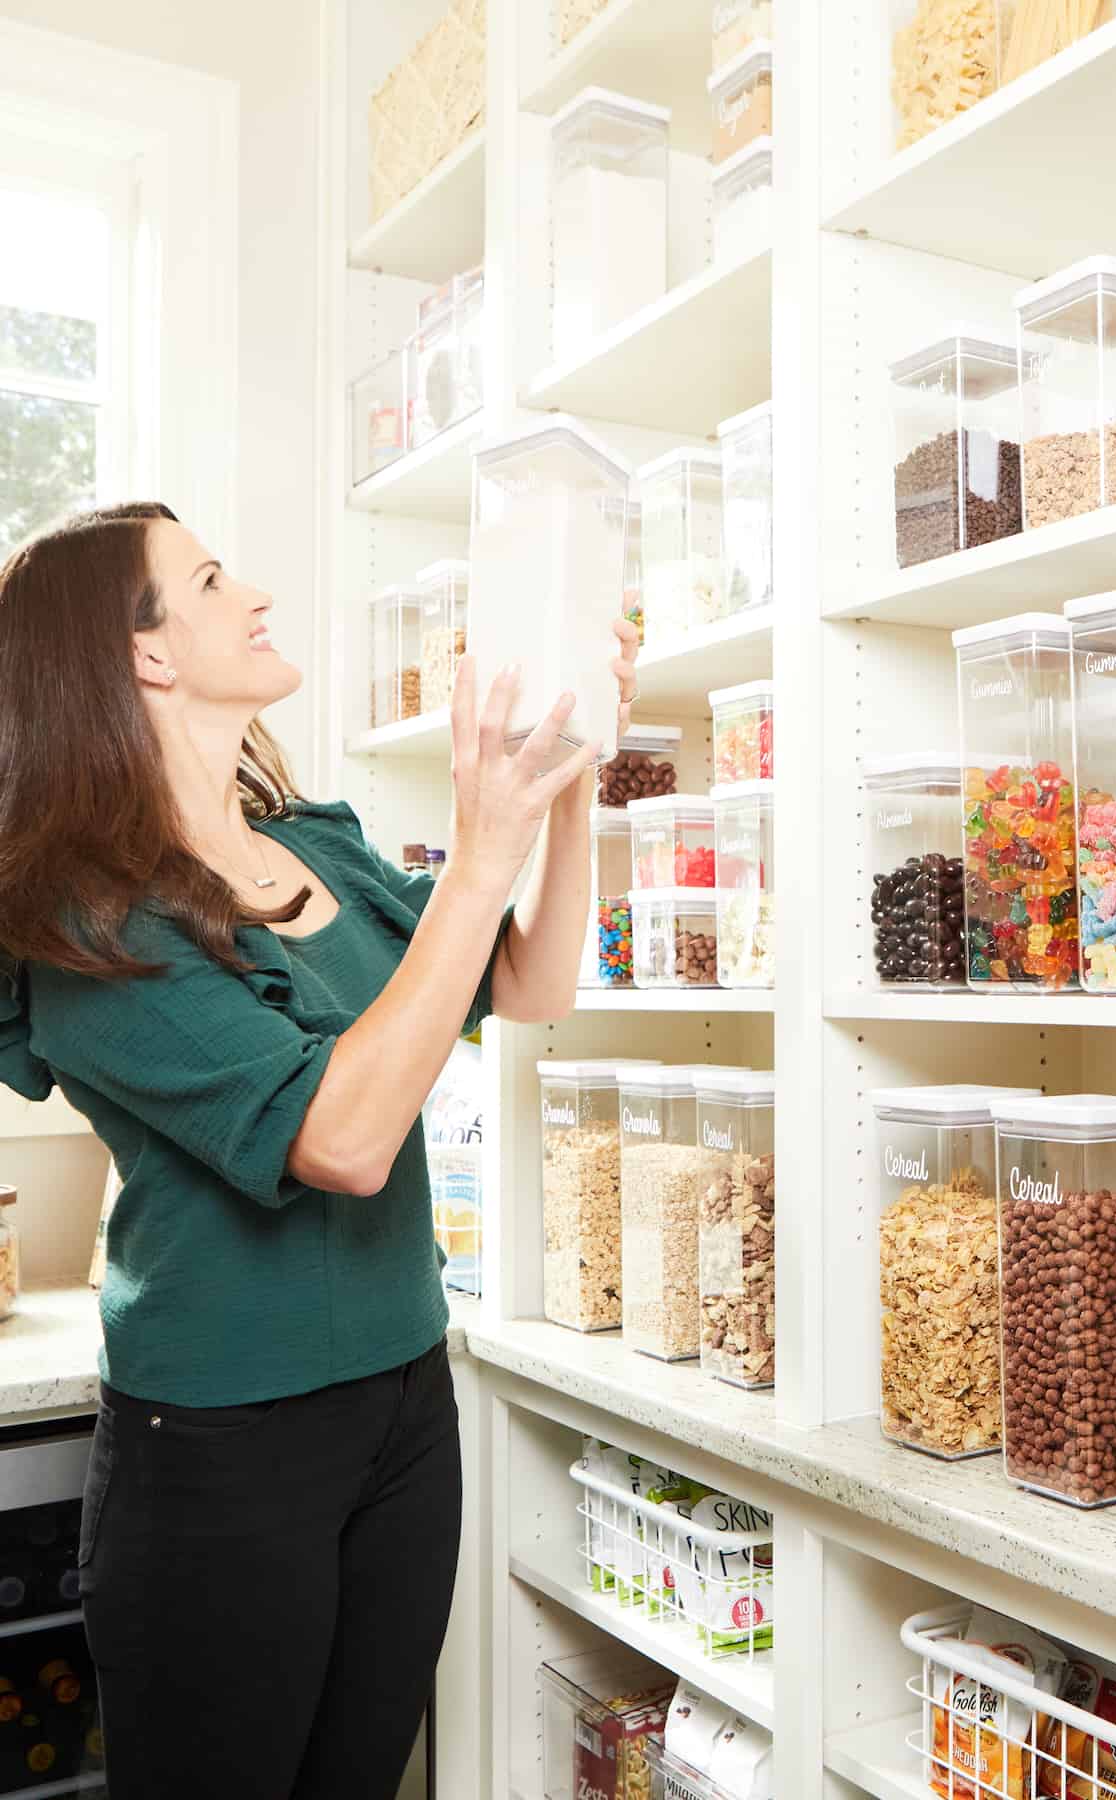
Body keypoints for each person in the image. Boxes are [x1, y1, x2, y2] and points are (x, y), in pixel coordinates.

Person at [0, 502, 639, 1799]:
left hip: (407, 1402)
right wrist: (482, 850)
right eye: (211, 578)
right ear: (146, 658)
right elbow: (341, 1139)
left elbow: (527, 981)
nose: (254, 593)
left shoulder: (313, 847)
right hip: (224, 1444)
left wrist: (568, 789)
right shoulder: (91, 921)